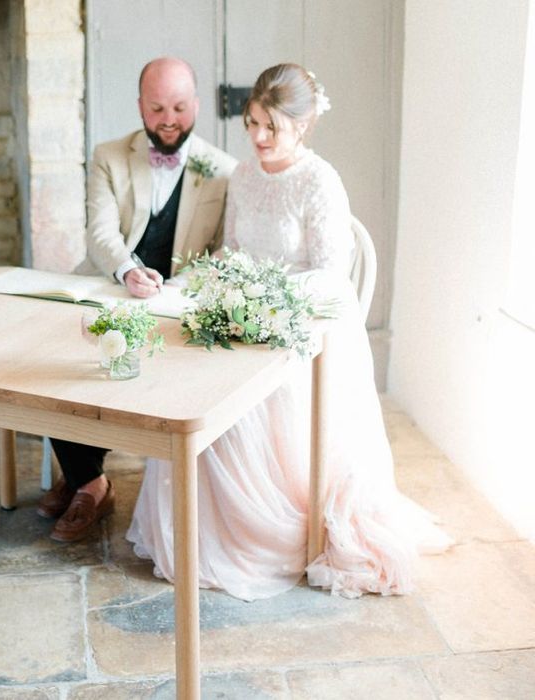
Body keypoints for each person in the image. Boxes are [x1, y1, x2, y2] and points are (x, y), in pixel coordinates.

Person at [126, 63, 452, 600]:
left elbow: (329, 275)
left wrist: (267, 303)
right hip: (246, 315)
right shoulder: (246, 174)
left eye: (271, 127)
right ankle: (199, 523)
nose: (257, 137)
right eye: (252, 121)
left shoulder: (319, 180)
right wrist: (223, 289)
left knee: (250, 389)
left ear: (302, 126)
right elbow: (231, 249)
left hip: (299, 327)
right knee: (191, 371)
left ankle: (269, 529)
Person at [38, 57, 238, 543]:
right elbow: (100, 232)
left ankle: (83, 477)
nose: (168, 119)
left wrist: (180, 286)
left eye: (179, 107)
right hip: (108, 284)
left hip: (175, 302)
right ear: (139, 107)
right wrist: (128, 270)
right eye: (156, 108)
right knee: (55, 352)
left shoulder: (224, 170)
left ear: (196, 104)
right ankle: (90, 479)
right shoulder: (109, 155)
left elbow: (223, 251)